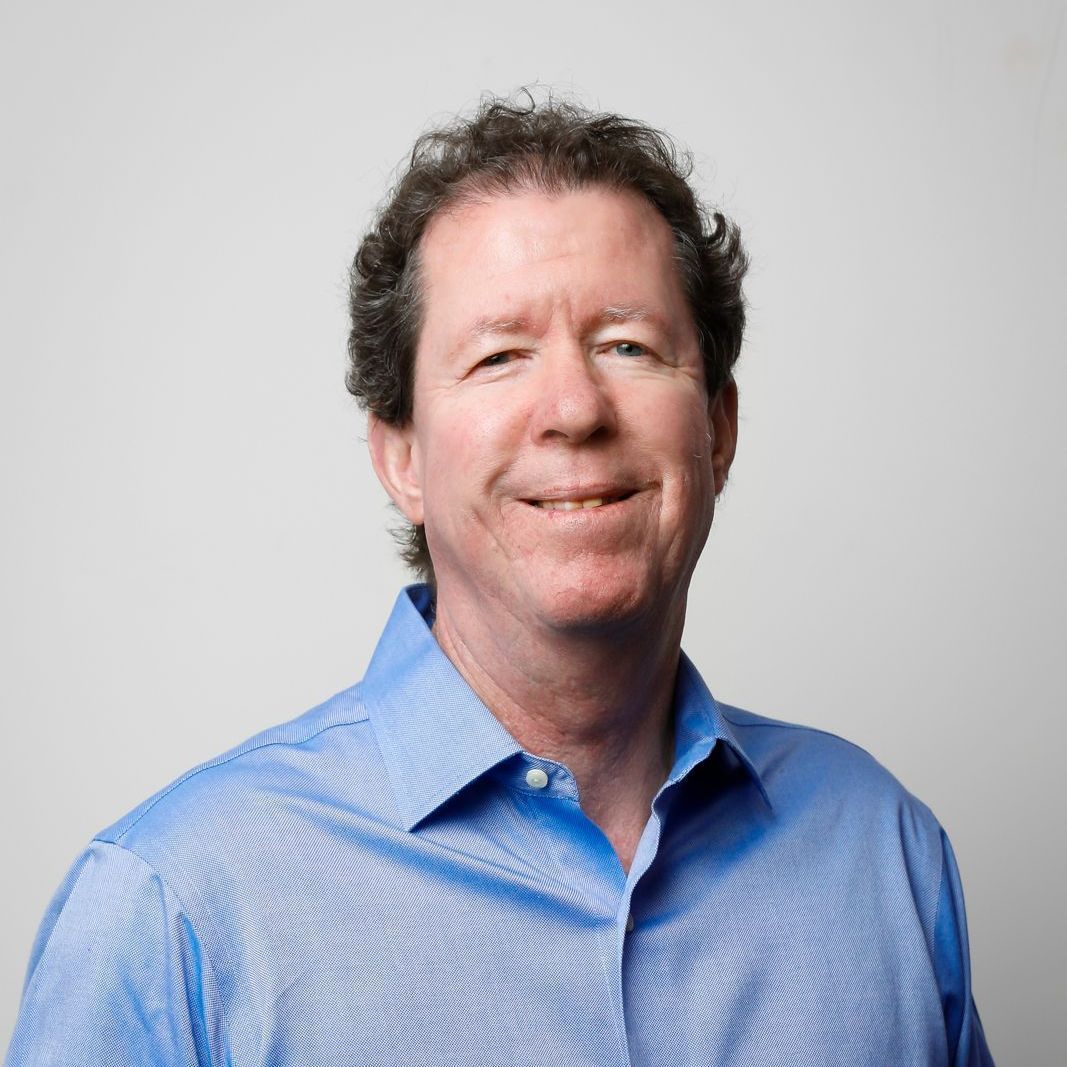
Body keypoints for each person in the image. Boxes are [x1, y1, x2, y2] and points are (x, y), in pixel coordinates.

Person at [5, 95, 994, 1066]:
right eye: (498, 356)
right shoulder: (173, 907)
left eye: (627, 345)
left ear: (717, 430)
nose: (571, 406)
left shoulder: (882, 851)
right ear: (401, 457)